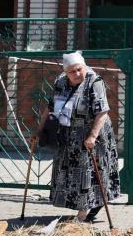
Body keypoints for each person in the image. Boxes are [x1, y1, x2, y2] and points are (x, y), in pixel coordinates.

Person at [34, 51, 120, 223]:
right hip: (68, 136)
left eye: (79, 69)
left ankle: (83, 214)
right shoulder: (60, 82)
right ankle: (89, 206)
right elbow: (50, 107)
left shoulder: (94, 81)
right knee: (71, 174)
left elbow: (102, 111)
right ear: (65, 72)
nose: (77, 74)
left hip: (92, 134)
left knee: (88, 173)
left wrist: (92, 136)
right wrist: (39, 130)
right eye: (72, 71)